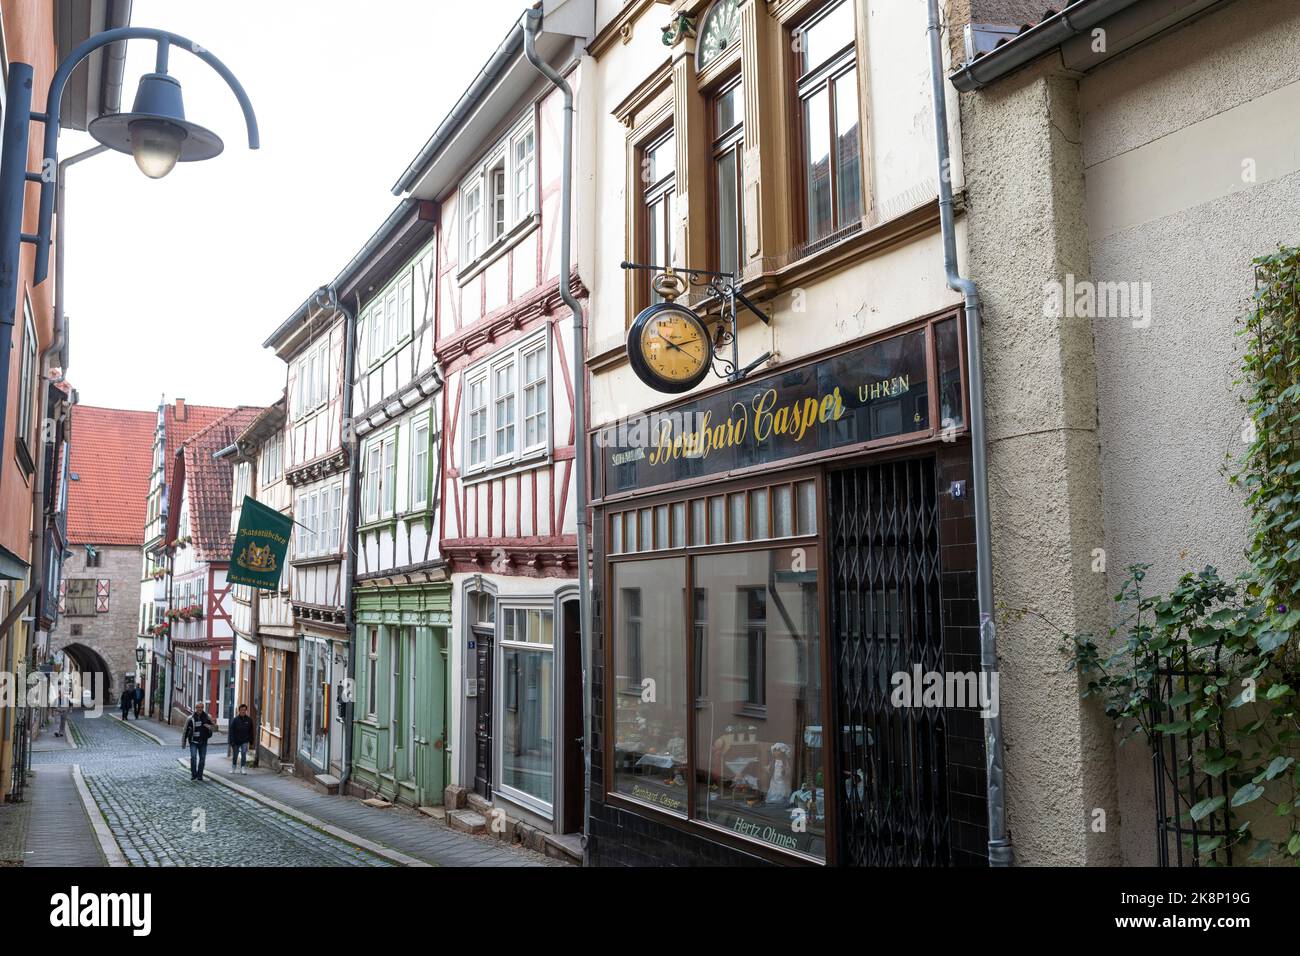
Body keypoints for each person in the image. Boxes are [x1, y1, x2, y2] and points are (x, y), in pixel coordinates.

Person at [182, 702, 215, 781]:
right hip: (193, 741)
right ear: (195, 708)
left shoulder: (207, 717)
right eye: (198, 707)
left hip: (203, 741)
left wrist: (209, 727)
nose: (199, 709)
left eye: (201, 707)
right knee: (193, 757)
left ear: (203, 708)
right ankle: (194, 775)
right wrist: (183, 741)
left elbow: (214, 727)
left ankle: (200, 775)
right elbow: (185, 730)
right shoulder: (190, 718)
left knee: (202, 759)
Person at [228, 704, 254, 774]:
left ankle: (243, 768)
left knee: (243, 753)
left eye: (244, 710)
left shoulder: (249, 720)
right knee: (235, 755)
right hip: (236, 740)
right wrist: (231, 741)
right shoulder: (235, 720)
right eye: (242, 710)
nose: (243, 711)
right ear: (239, 711)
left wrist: (251, 740)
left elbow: (251, 731)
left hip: (244, 740)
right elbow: (231, 731)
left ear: (246, 711)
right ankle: (233, 767)